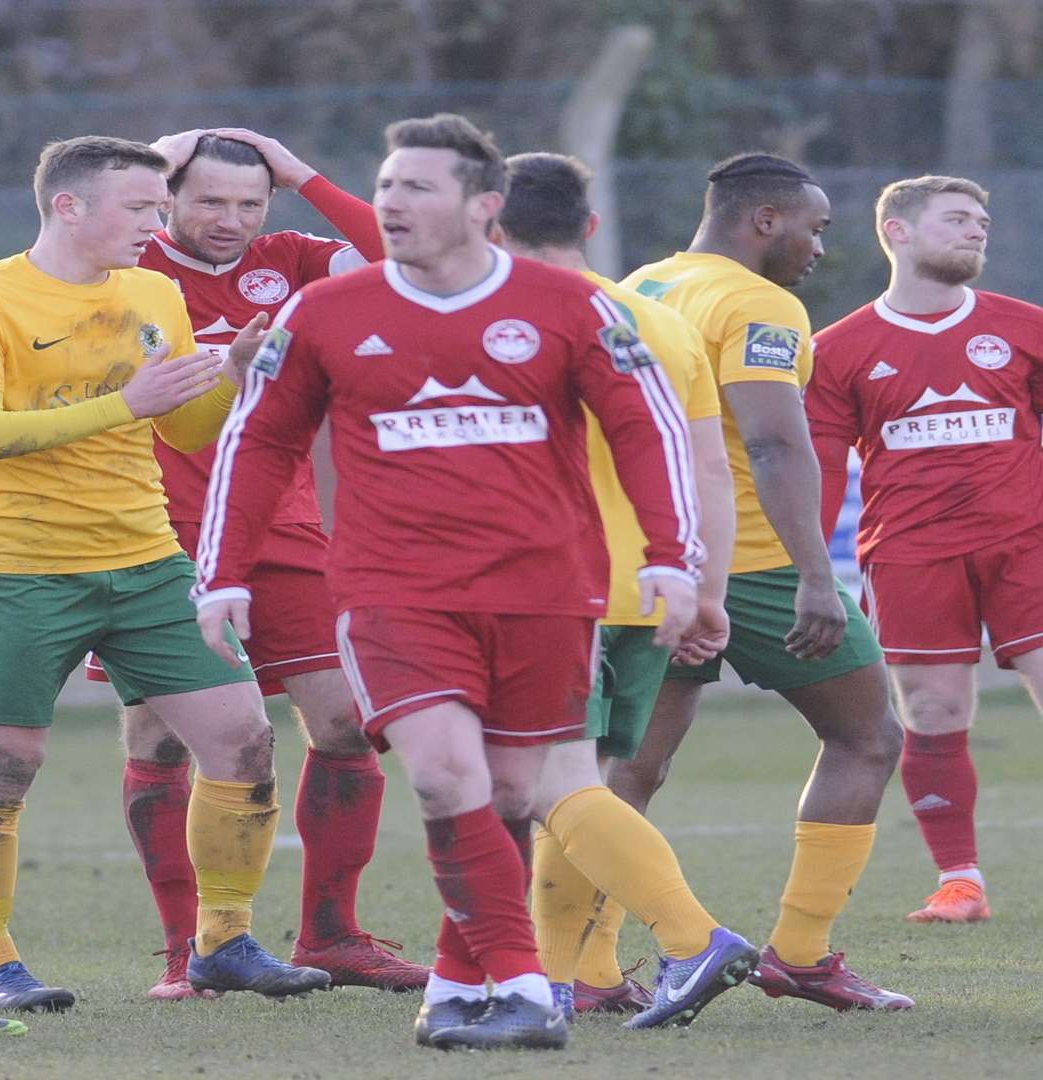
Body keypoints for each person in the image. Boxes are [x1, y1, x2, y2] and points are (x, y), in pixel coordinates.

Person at [196, 114, 702, 1051]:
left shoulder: (568, 305)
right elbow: (257, 440)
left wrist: (675, 554)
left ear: (484, 206)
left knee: (508, 799)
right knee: (443, 776)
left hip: (547, 592)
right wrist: (222, 571)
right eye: (385, 185)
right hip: (394, 592)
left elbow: (646, 426)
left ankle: (459, 987)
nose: (390, 202)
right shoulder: (325, 312)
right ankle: (522, 985)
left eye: (416, 187)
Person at [0, 135, 330, 1012]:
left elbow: (185, 431)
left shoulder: (153, 293)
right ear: (68, 206)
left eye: (160, 208)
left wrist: (231, 375)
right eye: (142, 208)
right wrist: (123, 404)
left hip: (149, 562)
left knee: (245, 742)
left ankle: (223, 941)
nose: (159, 225)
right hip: (19, 570)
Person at [89, 127, 428, 999]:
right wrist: (148, 165)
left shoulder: (296, 259)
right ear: (167, 196)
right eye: (208, 200)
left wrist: (304, 172)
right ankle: (185, 950)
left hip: (281, 528)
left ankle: (332, 935)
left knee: (347, 724)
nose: (231, 220)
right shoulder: (121, 262)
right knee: (163, 737)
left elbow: (402, 257)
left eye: (250, 201)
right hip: (155, 535)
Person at [620, 154, 913, 1012]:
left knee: (630, 768)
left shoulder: (646, 282)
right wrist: (817, 578)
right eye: (816, 228)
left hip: (655, 557)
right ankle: (803, 954)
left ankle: (589, 969)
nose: (821, 248)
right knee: (868, 738)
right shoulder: (758, 303)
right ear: (765, 221)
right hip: (751, 563)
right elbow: (775, 443)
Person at [494, 152, 755, 1028]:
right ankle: (561, 981)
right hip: (649, 591)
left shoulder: (490, 325)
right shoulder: (658, 320)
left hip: (541, 592)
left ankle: (693, 937)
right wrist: (707, 587)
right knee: (584, 789)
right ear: (592, 225)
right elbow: (710, 469)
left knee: (551, 789)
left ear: (486, 223)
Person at [808, 175, 1043, 926]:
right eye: (956, 219)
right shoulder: (837, 350)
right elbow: (812, 468)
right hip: (910, 553)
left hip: (1027, 543)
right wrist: (806, 567)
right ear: (898, 233)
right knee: (935, 709)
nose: (977, 230)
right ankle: (959, 881)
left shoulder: (1025, 326)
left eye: (981, 220)